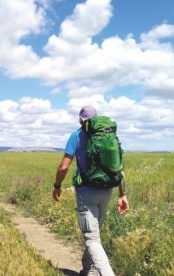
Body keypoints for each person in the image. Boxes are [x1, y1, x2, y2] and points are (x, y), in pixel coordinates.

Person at [53, 106, 129, 276]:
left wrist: (57, 186)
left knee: (92, 238)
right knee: (94, 235)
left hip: (86, 193)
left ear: (80, 119)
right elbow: (119, 169)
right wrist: (122, 194)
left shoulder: (76, 135)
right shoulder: (109, 137)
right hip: (107, 190)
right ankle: (87, 270)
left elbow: (64, 166)